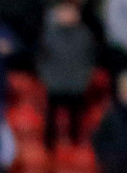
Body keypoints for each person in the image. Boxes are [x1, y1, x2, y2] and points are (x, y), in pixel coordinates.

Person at [38, 1, 96, 149]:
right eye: (64, 11)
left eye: (71, 11)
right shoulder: (48, 35)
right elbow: (41, 59)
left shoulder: (85, 35)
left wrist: (84, 79)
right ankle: (49, 147)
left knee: (76, 120)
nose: (67, 15)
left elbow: (90, 59)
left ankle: (74, 146)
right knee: (51, 119)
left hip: (77, 84)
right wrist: (48, 78)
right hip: (55, 84)